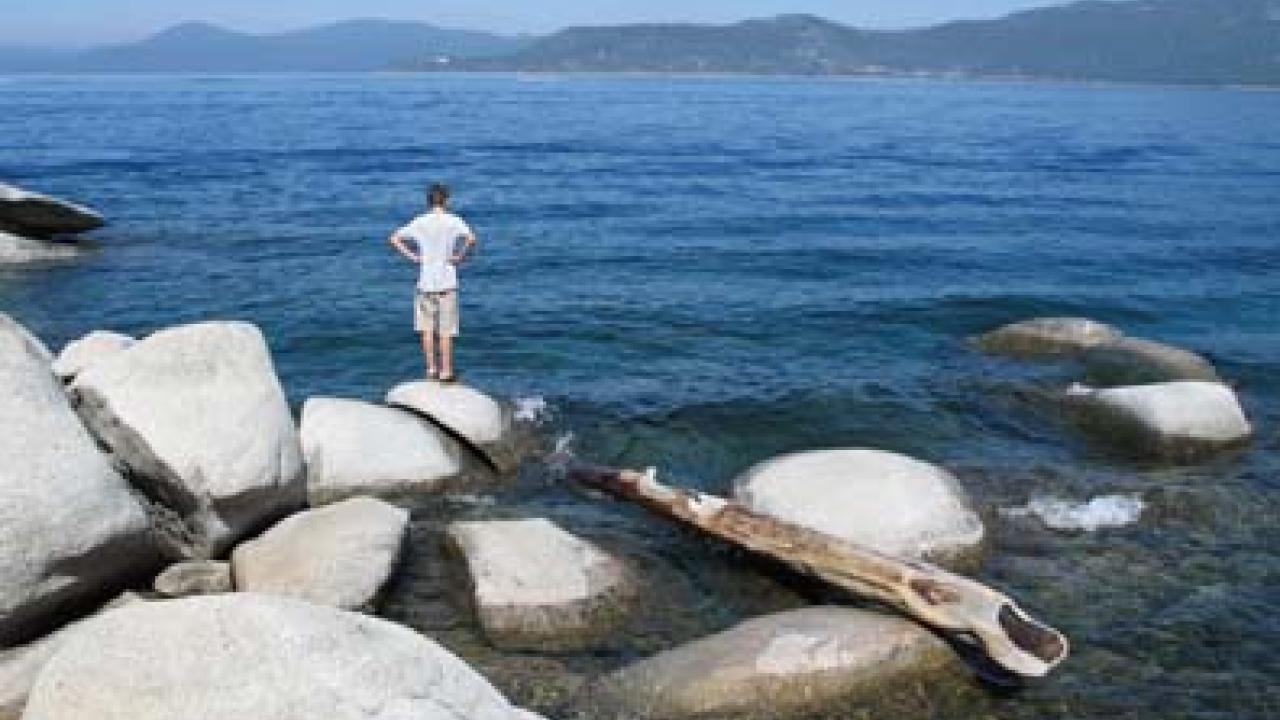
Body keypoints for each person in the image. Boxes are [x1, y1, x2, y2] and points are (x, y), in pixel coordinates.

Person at [388, 183, 477, 382]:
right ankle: (446, 371)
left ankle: (431, 369)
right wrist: (460, 257)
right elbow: (471, 239)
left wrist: (413, 256)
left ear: (428, 201)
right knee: (446, 331)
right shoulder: (454, 221)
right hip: (447, 281)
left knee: (426, 329)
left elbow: (394, 238)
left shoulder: (420, 222)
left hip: (425, 282)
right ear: (446, 200)